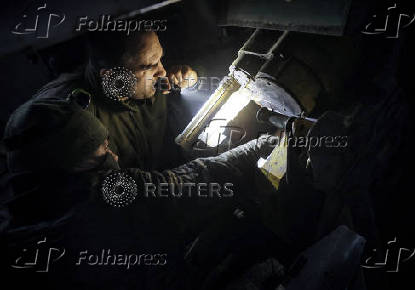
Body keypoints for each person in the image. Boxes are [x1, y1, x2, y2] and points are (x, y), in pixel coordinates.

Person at [0, 97, 279, 290]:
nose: (114, 155)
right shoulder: (109, 199)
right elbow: (195, 181)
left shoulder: (15, 211)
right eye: (101, 152)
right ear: (65, 167)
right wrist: (259, 146)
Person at [34, 31, 198, 170]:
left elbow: (190, 80)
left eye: (160, 59)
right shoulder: (76, 115)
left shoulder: (151, 75)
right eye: (149, 66)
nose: (162, 71)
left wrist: (192, 80)